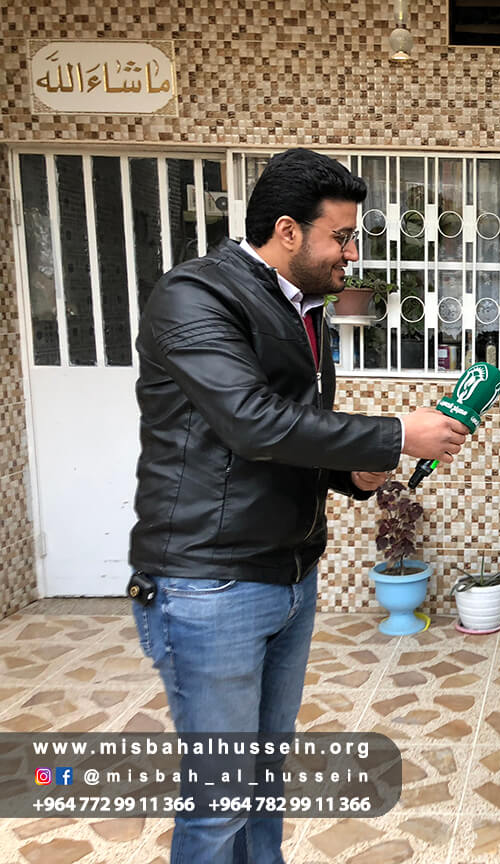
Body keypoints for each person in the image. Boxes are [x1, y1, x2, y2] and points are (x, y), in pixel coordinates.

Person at [128, 148, 469, 864]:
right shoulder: (196, 297)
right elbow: (251, 422)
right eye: (341, 237)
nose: (352, 253)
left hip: (288, 578)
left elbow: (296, 433)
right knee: (220, 802)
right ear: (288, 231)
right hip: (209, 582)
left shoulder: (304, 311)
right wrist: (396, 432)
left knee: (263, 785)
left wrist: (357, 474)